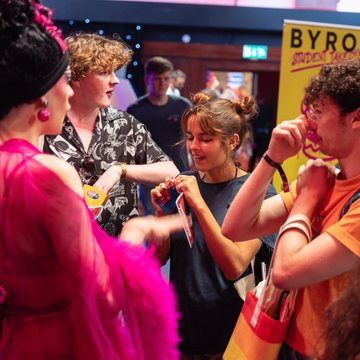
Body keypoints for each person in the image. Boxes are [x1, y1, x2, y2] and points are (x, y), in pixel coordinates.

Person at [0, 1, 182, 358]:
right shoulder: (49, 171)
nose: (67, 93)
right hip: (61, 334)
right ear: (45, 92)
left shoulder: (122, 124)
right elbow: (104, 292)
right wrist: (139, 232)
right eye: (65, 81)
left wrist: (122, 170)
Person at [222, 58, 360, 359]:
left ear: (356, 118)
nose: (310, 122)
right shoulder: (326, 179)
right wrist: (272, 158)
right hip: (287, 342)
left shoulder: (317, 188)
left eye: (320, 112)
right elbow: (234, 227)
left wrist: (306, 201)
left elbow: (285, 272)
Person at [150, 92, 277, 359]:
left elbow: (235, 266)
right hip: (181, 331)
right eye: (190, 137)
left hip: (231, 336)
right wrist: (161, 216)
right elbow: (159, 257)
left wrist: (199, 204)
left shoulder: (258, 193)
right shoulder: (184, 182)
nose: (194, 147)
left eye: (205, 139)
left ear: (232, 142)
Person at [43, 34, 179, 236]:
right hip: (60, 250)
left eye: (114, 72)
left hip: (118, 252)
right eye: (105, 72)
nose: (115, 81)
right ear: (77, 77)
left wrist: (120, 170)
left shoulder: (124, 124)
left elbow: (170, 171)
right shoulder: (47, 125)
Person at [127, 56, 191, 214]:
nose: (162, 83)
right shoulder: (135, 110)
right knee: (153, 225)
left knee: (182, 224)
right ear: (146, 79)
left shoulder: (183, 106)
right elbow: (129, 150)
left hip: (180, 173)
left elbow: (192, 140)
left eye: (166, 78)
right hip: (150, 178)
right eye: (157, 79)